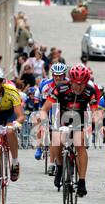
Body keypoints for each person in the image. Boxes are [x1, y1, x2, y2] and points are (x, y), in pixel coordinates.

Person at [39, 64, 100, 196]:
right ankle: (60, 168)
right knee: (56, 140)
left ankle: (82, 182)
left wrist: (92, 125)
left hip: (80, 120)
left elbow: (96, 113)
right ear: (70, 81)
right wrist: (44, 122)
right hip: (62, 118)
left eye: (82, 84)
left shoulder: (90, 91)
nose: (79, 87)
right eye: (76, 83)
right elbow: (44, 109)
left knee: (79, 143)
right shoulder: (61, 88)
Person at [34, 62, 68, 176]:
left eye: (60, 75)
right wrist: (46, 121)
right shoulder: (46, 86)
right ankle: (40, 148)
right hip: (49, 106)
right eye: (55, 75)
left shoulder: (69, 84)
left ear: (64, 75)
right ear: (52, 75)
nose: (58, 78)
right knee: (40, 120)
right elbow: (44, 106)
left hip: (63, 107)